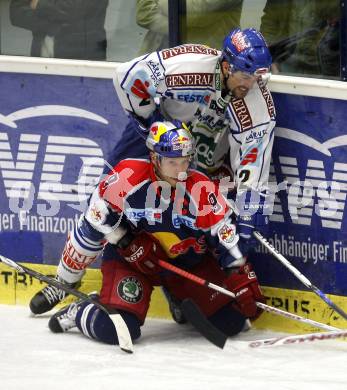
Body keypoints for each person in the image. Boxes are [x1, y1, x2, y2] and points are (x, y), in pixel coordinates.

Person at [29, 28, 275, 319]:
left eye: (256, 78)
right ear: (225, 65)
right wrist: (154, 125)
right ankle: (66, 281)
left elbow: (253, 163)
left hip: (202, 162)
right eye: (245, 77)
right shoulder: (189, 66)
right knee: (108, 203)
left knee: (196, 223)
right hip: (157, 144)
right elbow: (127, 76)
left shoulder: (258, 105)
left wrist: (246, 221)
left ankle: (176, 289)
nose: (251, 85)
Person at [45, 122, 263, 345]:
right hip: (133, 264)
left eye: (184, 161)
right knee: (117, 330)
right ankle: (83, 309)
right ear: (155, 158)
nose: (180, 171)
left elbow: (224, 234)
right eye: (172, 162)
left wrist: (239, 273)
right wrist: (125, 240)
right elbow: (96, 217)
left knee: (231, 322)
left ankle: (179, 300)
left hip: (186, 267)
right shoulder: (128, 176)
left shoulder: (201, 188)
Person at [260, 0, 340, 77]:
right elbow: (269, 24)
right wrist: (271, 58)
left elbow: (337, 15)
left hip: (320, 67)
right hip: (285, 63)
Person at [9, 0, 108, 60]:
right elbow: (16, 13)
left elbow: (75, 11)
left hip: (82, 60)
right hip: (40, 60)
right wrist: (53, 28)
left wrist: (39, 4)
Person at [136, 0, 243, 54]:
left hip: (203, 66)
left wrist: (158, 3)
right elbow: (144, 14)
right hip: (153, 58)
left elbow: (197, 13)